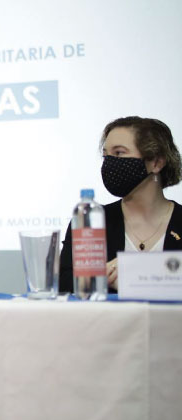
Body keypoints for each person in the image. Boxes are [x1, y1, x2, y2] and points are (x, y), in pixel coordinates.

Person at [59, 116, 182, 293]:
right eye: (106, 155)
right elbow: (64, 284)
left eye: (119, 153)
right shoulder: (91, 220)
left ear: (156, 162)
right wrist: (101, 278)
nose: (109, 163)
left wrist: (136, 272)